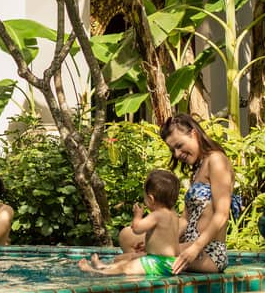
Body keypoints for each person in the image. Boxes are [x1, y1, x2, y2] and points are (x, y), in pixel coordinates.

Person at [119, 114, 234, 273]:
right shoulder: (198, 168)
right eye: (173, 150)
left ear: (193, 134)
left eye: (179, 145)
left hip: (207, 250)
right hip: (188, 243)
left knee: (129, 260)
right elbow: (185, 220)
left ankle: (154, 288)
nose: (177, 154)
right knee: (127, 236)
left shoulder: (217, 160)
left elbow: (222, 214)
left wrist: (195, 248)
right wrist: (156, 239)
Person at [79, 169, 181, 276]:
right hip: (170, 262)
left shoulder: (157, 215)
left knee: (127, 268)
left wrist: (137, 216)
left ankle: (95, 272)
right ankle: (103, 266)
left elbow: (137, 229)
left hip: (159, 262)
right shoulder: (173, 215)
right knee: (127, 262)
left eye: (145, 197)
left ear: (151, 199)